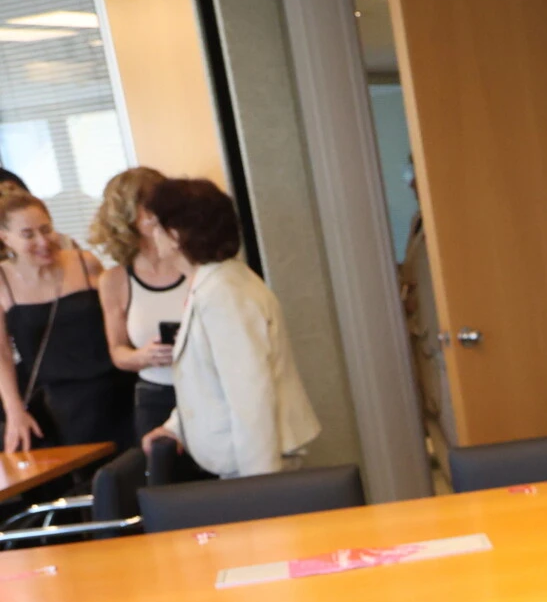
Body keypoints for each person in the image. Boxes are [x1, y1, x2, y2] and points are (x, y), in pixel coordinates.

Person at [137, 179, 319, 480]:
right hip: (240, 460)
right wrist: (175, 427)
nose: (152, 235)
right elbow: (208, 379)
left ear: (176, 234)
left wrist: (258, 483)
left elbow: (250, 393)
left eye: (157, 225)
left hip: (255, 462)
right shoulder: (212, 283)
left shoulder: (223, 292)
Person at [0, 188, 133, 456]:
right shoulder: (3, 282)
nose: (42, 240)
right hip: (62, 404)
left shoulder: (86, 264)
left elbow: (123, 314)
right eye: (28, 234)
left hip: (118, 388)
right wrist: (14, 410)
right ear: (5, 239)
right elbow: (1, 354)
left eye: (46, 229)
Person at [91, 166, 188, 443]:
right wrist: (143, 357)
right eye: (145, 205)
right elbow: (117, 351)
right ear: (126, 215)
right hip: (156, 396)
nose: (155, 212)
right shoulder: (115, 280)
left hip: (208, 391)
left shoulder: (194, 264)